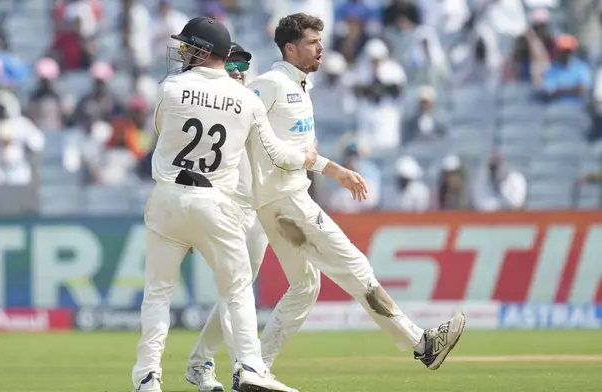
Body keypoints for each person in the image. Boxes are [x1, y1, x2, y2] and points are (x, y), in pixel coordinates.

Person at [244, 12, 464, 389]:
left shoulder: (298, 85)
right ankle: (422, 344)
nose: (320, 48)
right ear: (290, 47)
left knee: (305, 286)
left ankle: (254, 369)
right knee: (356, 267)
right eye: (312, 42)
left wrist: (336, 171)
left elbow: (300, 150)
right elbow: (243, 130)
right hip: (286, 199)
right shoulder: (270, 83)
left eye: (320, 40)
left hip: (282, 199)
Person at [131, 17, 318, 392]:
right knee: (236, 291)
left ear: (204, 50)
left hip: (167, 198)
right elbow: (278, 155)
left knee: (158, 293)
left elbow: (162, 128)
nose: (182, 51)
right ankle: (249, 367)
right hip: (217, 203)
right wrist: (307, 159)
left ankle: (147, 377)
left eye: (188, 46)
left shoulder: (170, 86)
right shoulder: (247, 99)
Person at [184, 42, 270, 392]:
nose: (237, 69)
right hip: (221, 210)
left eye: (241, 64)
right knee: (238, 292)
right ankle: (245, 372)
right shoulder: (202, 106)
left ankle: (199, 362)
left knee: (238, 293)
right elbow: (186, 163)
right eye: (230, 62)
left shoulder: (254, 102)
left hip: (257, 210)